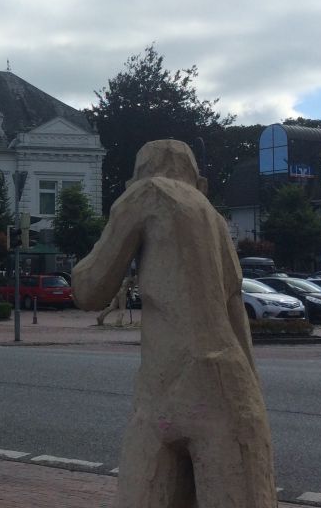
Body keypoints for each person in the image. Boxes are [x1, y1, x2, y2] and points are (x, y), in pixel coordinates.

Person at [73, 140, 276, 507]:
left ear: (136, 175)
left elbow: (89, 290)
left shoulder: (146, 194)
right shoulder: (214, 219)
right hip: (230, 385)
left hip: (164, 390)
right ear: (200, 182)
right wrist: (254, 399)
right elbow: (235, 309)